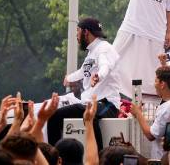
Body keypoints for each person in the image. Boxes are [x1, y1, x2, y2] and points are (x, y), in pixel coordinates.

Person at [48, 17, 121, 147]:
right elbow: (82, 72)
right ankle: (56, 155)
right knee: (53, 115)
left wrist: (98, 75)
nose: (77, 35)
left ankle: (98, 159)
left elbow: (105, 65)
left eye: (78, 31)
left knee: (89, 115)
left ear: (86, 32)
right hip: (89, 102)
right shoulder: (92, 52)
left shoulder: (104, 48)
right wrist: (68, 78)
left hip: (107, 104)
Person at [130, 65, 170, 160]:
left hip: (162, 159)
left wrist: (138, 114)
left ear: (162, 84)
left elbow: (151, 135)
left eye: (156, 81)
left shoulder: (167, 109)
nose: (154, 84)